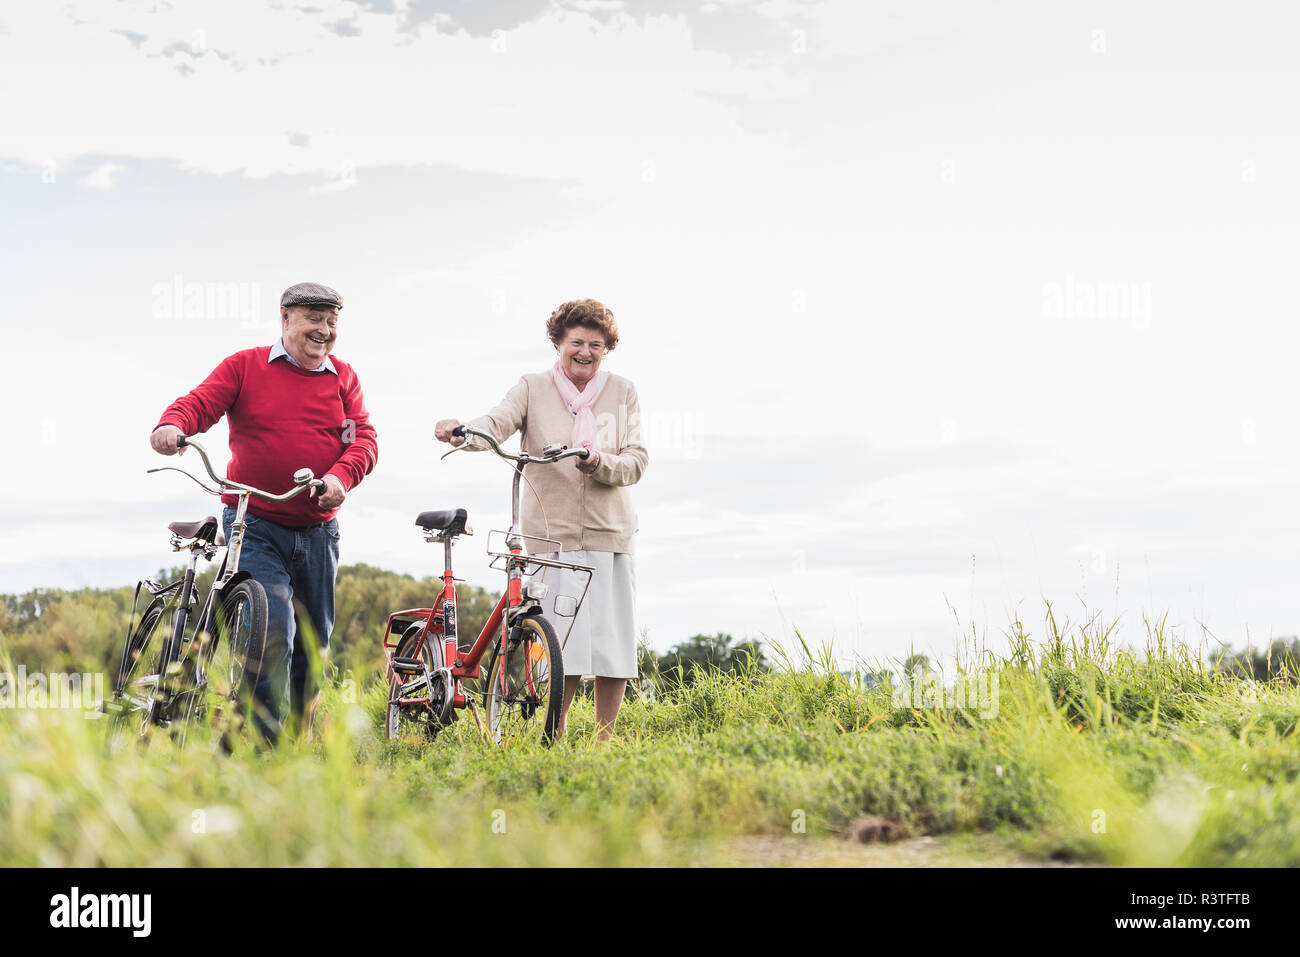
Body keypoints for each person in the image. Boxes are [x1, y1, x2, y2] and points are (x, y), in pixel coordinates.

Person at [150, 281, 378, 742]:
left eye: (332, 321)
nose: (324, 330)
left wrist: (340, 477)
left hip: (318, 532)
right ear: (285, 317)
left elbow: (363, 441)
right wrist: (172, 424)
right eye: (314, 318)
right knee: (273, 627)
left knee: (313, 645)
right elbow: (201, 403)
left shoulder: (343, 377)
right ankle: (264, 746)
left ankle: (297, 743)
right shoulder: (246, 366)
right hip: (252, 522)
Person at [435, 298, 648, 741]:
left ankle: (605, 743)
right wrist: (464, 431)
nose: (586, 352)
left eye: (596, 344)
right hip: (551, 534)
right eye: (577, 342)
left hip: (611, 533)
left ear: (606, 349)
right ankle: (557, 733)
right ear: (558, 342)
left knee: (613, 645)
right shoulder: (532, 387)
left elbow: (637, 460)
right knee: (562, 642)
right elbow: (498, 422)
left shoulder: (622, 391)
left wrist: (599, 462)